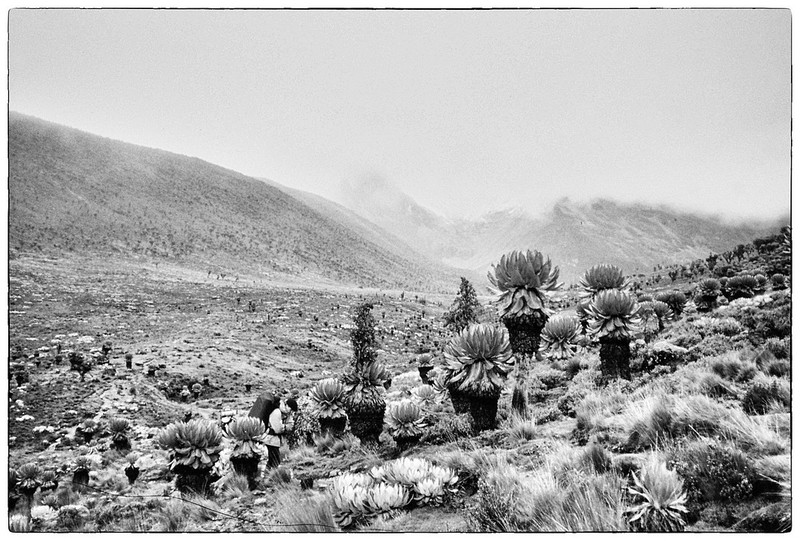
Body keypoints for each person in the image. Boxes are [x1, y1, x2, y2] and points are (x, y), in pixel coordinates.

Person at [265, 398, 298, 469]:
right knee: (275, 462)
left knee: (272, 461)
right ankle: (272, 474)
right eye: (291, 409)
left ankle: (268, 474)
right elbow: (277, 429)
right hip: (271, 440)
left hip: (273, 440)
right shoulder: (277, 412)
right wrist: (286, 427)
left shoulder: (283, 413)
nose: (291, 411)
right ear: (287, 406)